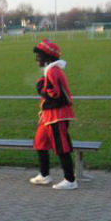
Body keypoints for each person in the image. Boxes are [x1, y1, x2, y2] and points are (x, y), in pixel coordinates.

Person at [29, 39, 78, 190]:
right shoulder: (51, 70)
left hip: (57, 115)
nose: (37, 59)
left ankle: (70, 180)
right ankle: (44, 175)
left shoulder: (53, 71)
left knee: (61, 146)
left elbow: (54, 94)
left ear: (47, 57)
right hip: (48, 116)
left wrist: (40, 87)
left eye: (39, 55)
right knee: (40, 142)